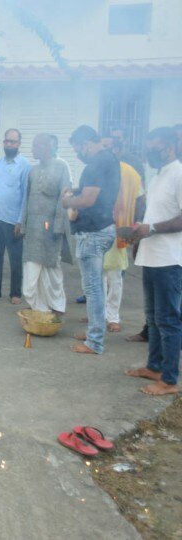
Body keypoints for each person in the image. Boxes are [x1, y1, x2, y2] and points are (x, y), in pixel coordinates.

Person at [125, 127, 182, 396]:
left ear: (169, 148)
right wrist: (140, 230)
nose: (149, 153)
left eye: (154, 148)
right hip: (151, 256)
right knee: (154, 318)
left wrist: (153, 229)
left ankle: (169, 380)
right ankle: (154, 366)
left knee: (169, 320)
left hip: (170, 260)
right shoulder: (158, 175)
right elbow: (156, 215)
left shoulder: (179, 174)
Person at [62, 125, 120, 355]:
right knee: (96, 287)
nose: (78, 153)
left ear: (86, 143)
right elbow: (97, 190)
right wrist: (76, 189)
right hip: (103, 228)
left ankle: (95, 341)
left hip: (93, 231)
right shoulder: (108, 159)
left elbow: (87, 199)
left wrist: (68, 201)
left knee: (93, 288)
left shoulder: (96, 163)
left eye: (78, 148)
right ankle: (94, 331)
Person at [21, 134, 72, 313]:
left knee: (52, 271)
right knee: (30, 279)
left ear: (47, 148)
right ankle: (41, 310)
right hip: (33, 231)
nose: (33, 149)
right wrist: (22, 223)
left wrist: (59, 226)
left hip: (51, 230)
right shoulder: (33, 171)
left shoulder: (61, 167)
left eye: (36, 146)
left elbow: (64, 199)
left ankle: (56, 308)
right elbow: (26, 200)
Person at [0, 128, 30, 305]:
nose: (9, 144)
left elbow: (25, 195)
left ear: (18, 144)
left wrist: (21, 220)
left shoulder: (25, 166)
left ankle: (15, 293)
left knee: (15, 258)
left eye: (12, 142)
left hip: (13, 220)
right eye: (6, 141)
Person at [100, 136, 144, 332]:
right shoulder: (97, 169)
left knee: (114, 277)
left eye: (109, 147)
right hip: (97, 230)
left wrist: (135, 226)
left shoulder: (130, 172)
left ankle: (113, 317)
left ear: (117, 149)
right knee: (96, 277)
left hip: (118, 230)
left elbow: (140, 200)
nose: (106, 151)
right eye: (103, 148)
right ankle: (98, 313)